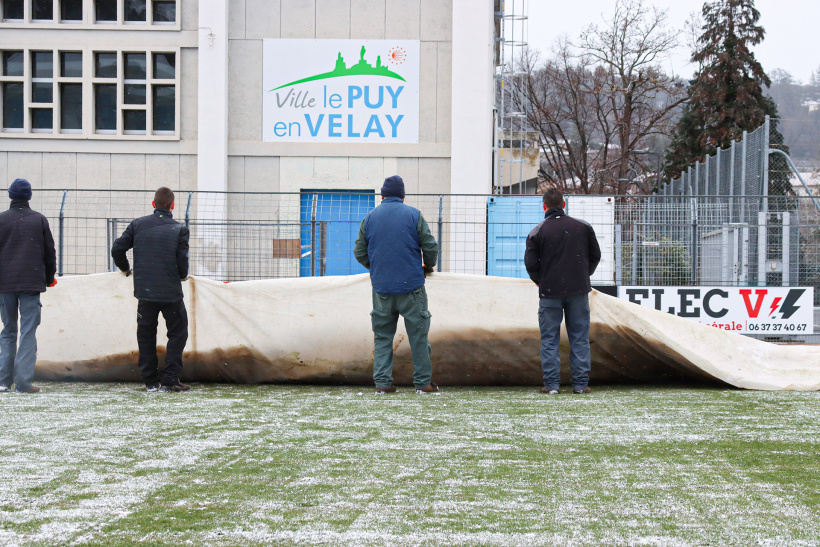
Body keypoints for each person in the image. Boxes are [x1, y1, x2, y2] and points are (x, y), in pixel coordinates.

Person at [354, 175, 439, 394]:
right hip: (412, 287)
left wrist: (376, 269)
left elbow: (359, 252)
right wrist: (427, 266)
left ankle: (383, 382)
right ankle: (423, 383)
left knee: (382, 337)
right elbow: (430, 247)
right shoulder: (414, 215)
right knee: (418, 337)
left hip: (381, 289)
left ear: (382, 195)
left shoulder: (370, 218)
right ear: (403, 196)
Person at [111, 187, 191, 392]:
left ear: (153, 204)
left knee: (146, 334)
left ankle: (149, 381)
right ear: (172, 205)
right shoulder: (179, 229)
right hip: (171, 293)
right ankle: (170, 378)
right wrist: (182, 276)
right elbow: (182, 262)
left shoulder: (138, 225)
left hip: (145, 292)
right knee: (178, 332)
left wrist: (125, 268)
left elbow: (117, 248)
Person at [524, 188, 601, 395]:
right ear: (564, 205)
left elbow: (530, 264)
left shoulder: (537, 231)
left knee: (550, 339)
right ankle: (580, 384)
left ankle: (551, 385)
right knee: (579, 337)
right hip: (578, 291)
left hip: (549, 292)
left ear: (544, 206)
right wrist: (584, 276)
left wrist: (540, 280)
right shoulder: (583, 227)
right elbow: (595, 255)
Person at [0, 178, 57, 394]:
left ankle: (3, 381)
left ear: (11, 196)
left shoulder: (1, 220)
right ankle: (23, 383)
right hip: (31, 282)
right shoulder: (39, 220)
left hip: (5, 284)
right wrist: (50, 277)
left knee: (8, 330)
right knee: (28, 331)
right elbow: (49, 252)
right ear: (29, 196)